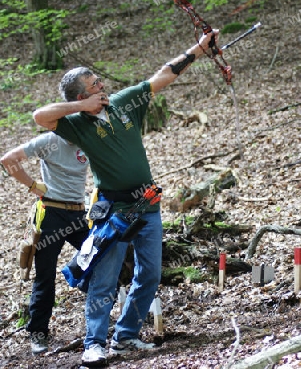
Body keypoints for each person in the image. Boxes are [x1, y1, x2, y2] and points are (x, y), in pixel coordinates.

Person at [33, 30, 220, 366]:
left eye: (99, 82)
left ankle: (126, 335)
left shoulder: (123, 103)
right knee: (104, 280)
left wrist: (198, 50)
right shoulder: (76, 124)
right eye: (94, 85)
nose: (101, 86)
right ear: (81, 96)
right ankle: (94, 344)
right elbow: (40, 116)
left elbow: (161, 76)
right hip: (113, 212)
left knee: (149, 273)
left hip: (147, 204)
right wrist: (82, 106)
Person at [0, 132, 89, 355]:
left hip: (79, 214)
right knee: (45, 277)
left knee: (101, 257)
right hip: (51, 214)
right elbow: (8, 160)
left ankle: (75, 274)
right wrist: (32, 185)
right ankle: (38, 332)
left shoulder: (88, 137)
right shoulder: (49, 140)